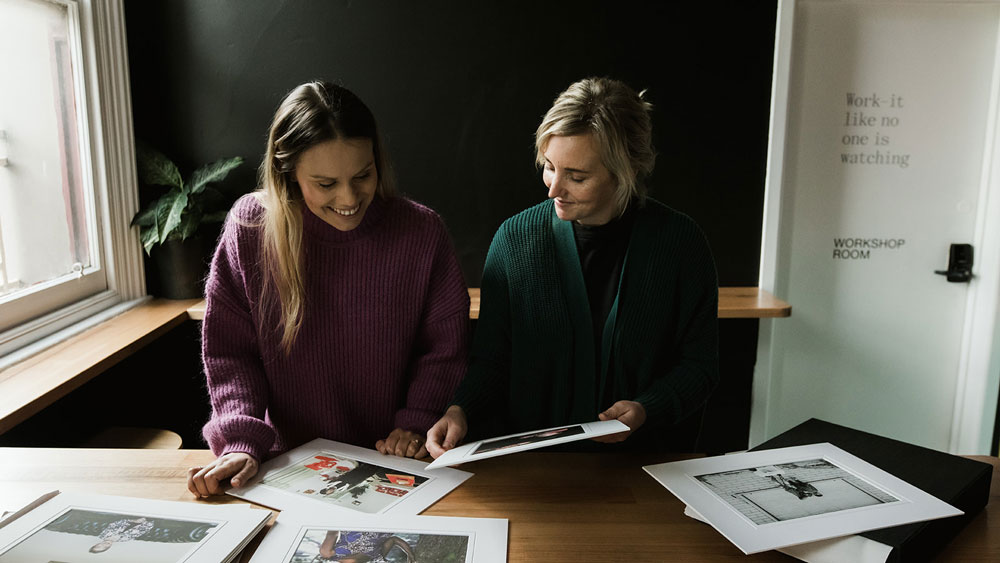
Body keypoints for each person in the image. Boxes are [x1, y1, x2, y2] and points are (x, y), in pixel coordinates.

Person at [187, 81, 469, 498]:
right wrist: (242, 441)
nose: (349, 197)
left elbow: (444, 347)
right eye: (325, 183)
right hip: (289, 469)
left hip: (400, 464)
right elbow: (231, 353)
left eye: (363, 175)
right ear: (288, 173)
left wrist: (414, 423)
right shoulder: (250, 228)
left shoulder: (422, 231)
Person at [426, 77, 719, 457]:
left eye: (577, 177)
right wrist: (459, 409)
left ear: (625, 170)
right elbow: (491, 360)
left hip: (648, 471)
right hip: (535, 472)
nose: (553, 190)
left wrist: (648, 408)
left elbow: (700, 367)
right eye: (549, 167)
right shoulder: (514, 241)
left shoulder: (681, 243)